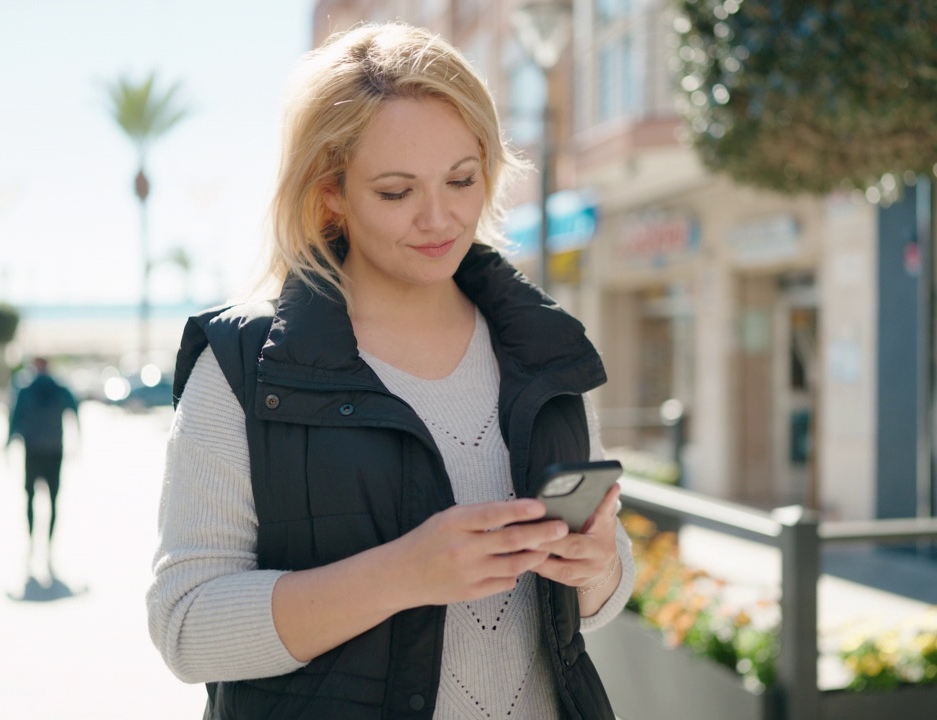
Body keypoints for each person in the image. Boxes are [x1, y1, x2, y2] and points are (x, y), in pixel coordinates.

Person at [147, 23, 635, 720]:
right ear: (330, 194)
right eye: (396, 191)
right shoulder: (242, 366)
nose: (440, 218)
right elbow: (187, 627)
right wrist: (405, 574)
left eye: (462, 180)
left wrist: (600, 569)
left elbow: (597, 598)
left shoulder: (544, 348)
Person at [7, 357, 79, 553]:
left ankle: (32, 542)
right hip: (55, 449)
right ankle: (47, 544)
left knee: (30, 497)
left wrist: (10, 442)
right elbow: (74, 409)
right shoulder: (59, 387)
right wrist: (78, 438)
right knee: (53, 500)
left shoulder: (25, 388)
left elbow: (14, 419)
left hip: (33, 450)